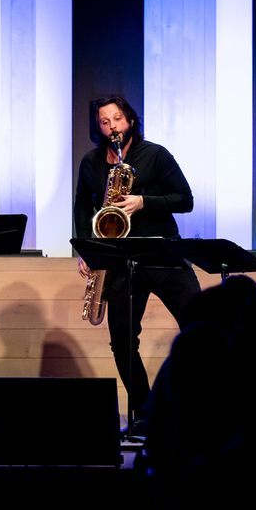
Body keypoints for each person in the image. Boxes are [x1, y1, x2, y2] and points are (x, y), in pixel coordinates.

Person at [74, 95, 200, 433]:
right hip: (121, 261)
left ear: (130, 120)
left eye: (117, 119)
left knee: (200, 329)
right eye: (104, 121)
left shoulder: (155, 154)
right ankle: (146, 414)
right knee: (122, 340)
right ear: (97, 127)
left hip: (165, 255)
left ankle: (200, 409)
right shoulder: (91, 163)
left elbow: (185, 199)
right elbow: (83, 208)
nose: (112, 126)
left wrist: (143, 201)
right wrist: (86, 250)